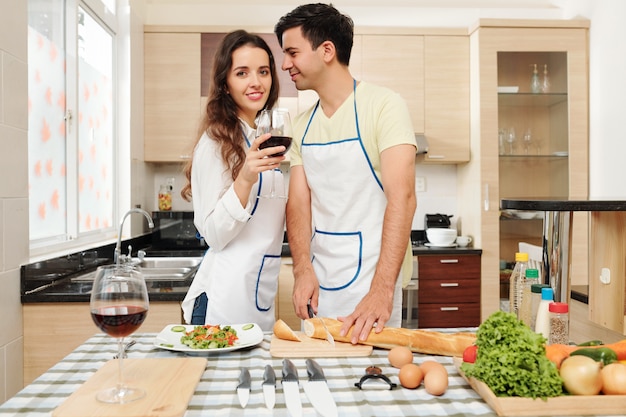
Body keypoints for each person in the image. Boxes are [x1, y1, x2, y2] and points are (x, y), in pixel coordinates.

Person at [275, 3, 417, 344]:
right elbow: (298, 204)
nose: (285, 64)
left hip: (376, 276)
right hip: (321, 282)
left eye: (292, 52)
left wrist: (381, 290)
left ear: (327, 50)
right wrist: (301, 270)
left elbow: (403, 199)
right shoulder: (301, 124)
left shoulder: (384, 105)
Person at [180, 30, 287, 332]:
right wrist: (245, 178)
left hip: (257, 295)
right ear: (225, 84)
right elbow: (213, 234)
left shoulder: (260, 137)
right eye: (242, 73)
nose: (256, 82)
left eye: (263, 71)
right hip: (222, 302)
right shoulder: (215, 143)